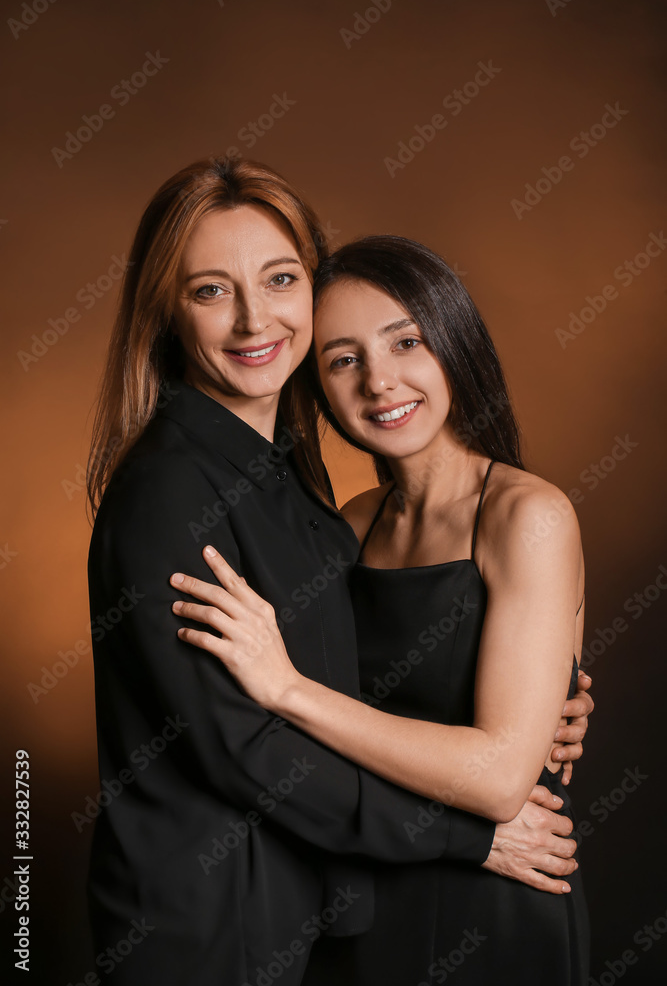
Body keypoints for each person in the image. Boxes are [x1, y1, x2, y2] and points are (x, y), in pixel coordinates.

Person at [86, 156, 591, 985]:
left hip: (419, 893)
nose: (254, 320)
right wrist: (470, 825)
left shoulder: (303, 495)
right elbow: (246, 747)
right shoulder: (186, 492)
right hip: (242, 927)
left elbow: (352, 684)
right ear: (166, 312)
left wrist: (547, 701)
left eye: (280, 279)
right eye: (211, 290)